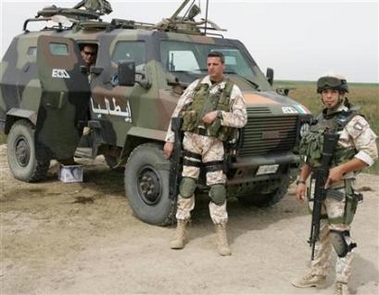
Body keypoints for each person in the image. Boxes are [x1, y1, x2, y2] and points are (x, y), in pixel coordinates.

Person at [292, 73, 378, 295]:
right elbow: (310, 156)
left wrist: (341, 169)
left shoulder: (354, 121)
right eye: (325, 92)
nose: (329, 96)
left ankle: (342, 283)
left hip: (339, 188)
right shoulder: (318, 120)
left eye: (333, 92)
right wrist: (302, 180)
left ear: (341, 94)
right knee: (318, 231)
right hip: (317, 184)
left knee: (339, 236)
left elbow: (370, 153)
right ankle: (318, 274)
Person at [163, 51, 247, 256]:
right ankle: (181, 230)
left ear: (223, 66)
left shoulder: (232, 90)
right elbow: (178, 112)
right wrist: (170, 139)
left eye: (215, 64)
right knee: (187, 186)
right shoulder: (197, 85)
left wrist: (219, 114)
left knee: (217, 190)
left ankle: (221, 235)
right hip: (191, 140)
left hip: (214, 144)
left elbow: (242, 119)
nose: (211, 67)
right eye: (208, 64)